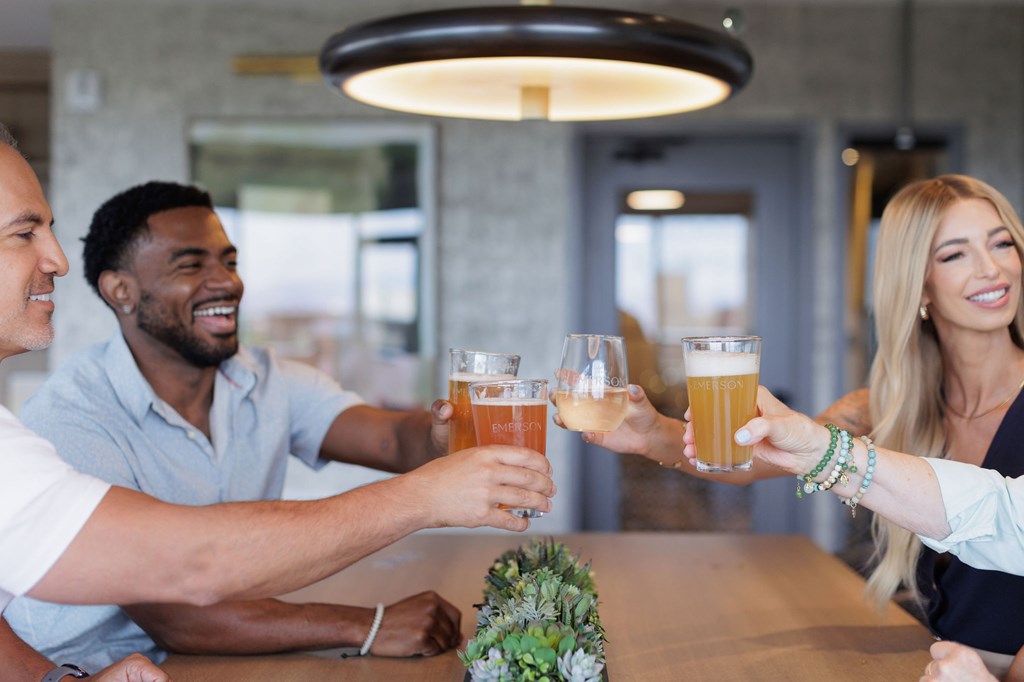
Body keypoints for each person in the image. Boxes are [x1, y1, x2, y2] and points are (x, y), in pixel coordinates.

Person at [0, 124, 556, 680]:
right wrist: (374, 609)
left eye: (229, 260)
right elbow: (184, 583)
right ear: (121, 290)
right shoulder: (67, 417)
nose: (226, 283)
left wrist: (444, 438)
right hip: (127, 657)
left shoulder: (262, 378)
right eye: (191, 265)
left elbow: (391, 438)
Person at [576, 174, 1024, 677]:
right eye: (955, 254)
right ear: (918, 283)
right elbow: (759, 457)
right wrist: (651, 434)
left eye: (1003, 243)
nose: (993, 269)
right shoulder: (886, 407)